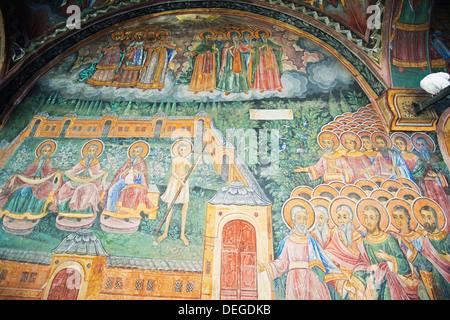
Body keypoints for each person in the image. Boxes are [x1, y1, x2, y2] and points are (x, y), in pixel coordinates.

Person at [257, 200, 352, 300]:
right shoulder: (288, 241)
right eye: (299, 218)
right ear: (293, 220)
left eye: (304, 218)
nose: (302, 222)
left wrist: (340, 281)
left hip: (311, 279)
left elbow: (324, 260)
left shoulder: (311, 240)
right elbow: (282, 262)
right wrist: (267, 267)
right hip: (294, 280)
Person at [350, 201, 420, 300]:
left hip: (392, 286)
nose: (368, 221)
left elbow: (405, 266)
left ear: (378, 219)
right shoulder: (365, 242)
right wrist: (357, 276)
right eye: (365, 217)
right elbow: (361, 264)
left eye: (371, 218)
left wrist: (388, 260)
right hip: (374, 286)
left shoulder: (389, 239)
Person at [388, 200, 450, 300]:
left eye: (401, 217)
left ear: (408, 218)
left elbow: (427, 261)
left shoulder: (421, 237)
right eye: (395, 217)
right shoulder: (394, 238)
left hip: (427, 277)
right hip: (408, 278)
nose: (398, 221)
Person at [0, 141, 60, 223]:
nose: (46, 153)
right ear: (41, 151)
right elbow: (28, 171)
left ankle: (31, 213)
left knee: (32, 191)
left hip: (42, 182)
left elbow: (48, 173)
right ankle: (12, 211)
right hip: (31, 181)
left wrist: (44, 176)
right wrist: (19, 176)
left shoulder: (48, 161)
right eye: (45, 151)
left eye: (48, 151)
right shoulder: (37, 160)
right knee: (21, 190)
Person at [50, 140, 108, 222]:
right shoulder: (82, 161)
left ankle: (81, 213)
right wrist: (65, 172)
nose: (91, 153)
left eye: (93, 151)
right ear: (86, 152)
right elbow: (74, 169)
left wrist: (103, 173)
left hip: (90, 182)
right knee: (64, 188)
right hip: (77, 181)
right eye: (90, 151)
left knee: (88, 190)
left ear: (96, 153)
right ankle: (63, 213)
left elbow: (97, 172)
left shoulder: (95, 162)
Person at [102, 141, 154, 220]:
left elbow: (144, 174)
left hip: (135, 182)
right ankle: (110, 211)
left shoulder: (142, 162)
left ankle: (126, 214)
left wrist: (137, 173)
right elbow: (120, 171)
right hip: (124, 180)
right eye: (134, 151)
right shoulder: (129, 161)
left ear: (140, 153)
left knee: (129, 192)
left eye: (137, 152)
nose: (135, 153)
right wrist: (124, 172)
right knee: (112, 189)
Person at [325, 200, 364, 299]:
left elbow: (363, 258)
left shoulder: (357, 237)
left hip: (356, 272)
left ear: (350, 218)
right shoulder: (335, 236)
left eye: (344, 217)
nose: (341, 220)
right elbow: (329, 255)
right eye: (339, 217)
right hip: (340, 273)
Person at [157, 140, 193, 246]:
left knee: (185, 205)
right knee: (170, 205)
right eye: (181, 149)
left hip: (184, 182)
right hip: (175, 182)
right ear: (178, 151)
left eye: (185, 150)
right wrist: (180, 181)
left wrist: (196, 162)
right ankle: (165, 233)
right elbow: (173, 172)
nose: (183, 151)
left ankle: (182, 234)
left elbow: (191, 168)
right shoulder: (175, 160)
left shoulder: (186, 161)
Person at [411, 134, 450, 229]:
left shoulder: (436, 158)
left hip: (438, 187)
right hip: (427, 188)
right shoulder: (420, 160)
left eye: (422, 145)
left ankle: (447, 224)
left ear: (427, 145)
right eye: (419, 145)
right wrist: (422, 176)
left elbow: (445, 172)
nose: (421, 147)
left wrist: (437, 176)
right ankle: (436, 225)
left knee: (443, 204)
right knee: (431, 207)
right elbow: (414, 173)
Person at [216, 31, 251, 95]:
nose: (236, 38)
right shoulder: (228, 43)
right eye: (234, 36)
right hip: (230, 62)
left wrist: (248, 51)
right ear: (232, 37)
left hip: (240, 61)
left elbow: (246, 50)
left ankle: (244, 89)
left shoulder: (240, 43)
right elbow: (224, 50)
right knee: (230, 75)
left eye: (237, 36)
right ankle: (228, 89)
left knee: (241, 74)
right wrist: (229, 49)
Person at [251, 29, 283, 93]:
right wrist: (262, 46)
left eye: (264, 35)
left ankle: (277, 86)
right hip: (261, 59)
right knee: (262, 72)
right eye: (262, 35)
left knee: (273, 72)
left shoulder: (269, 42)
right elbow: (255, 49)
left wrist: (280, 47)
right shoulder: (258, 42)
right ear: (260, 36)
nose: (263, 36)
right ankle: (262, 87)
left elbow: (275, 46)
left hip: (271, 58)